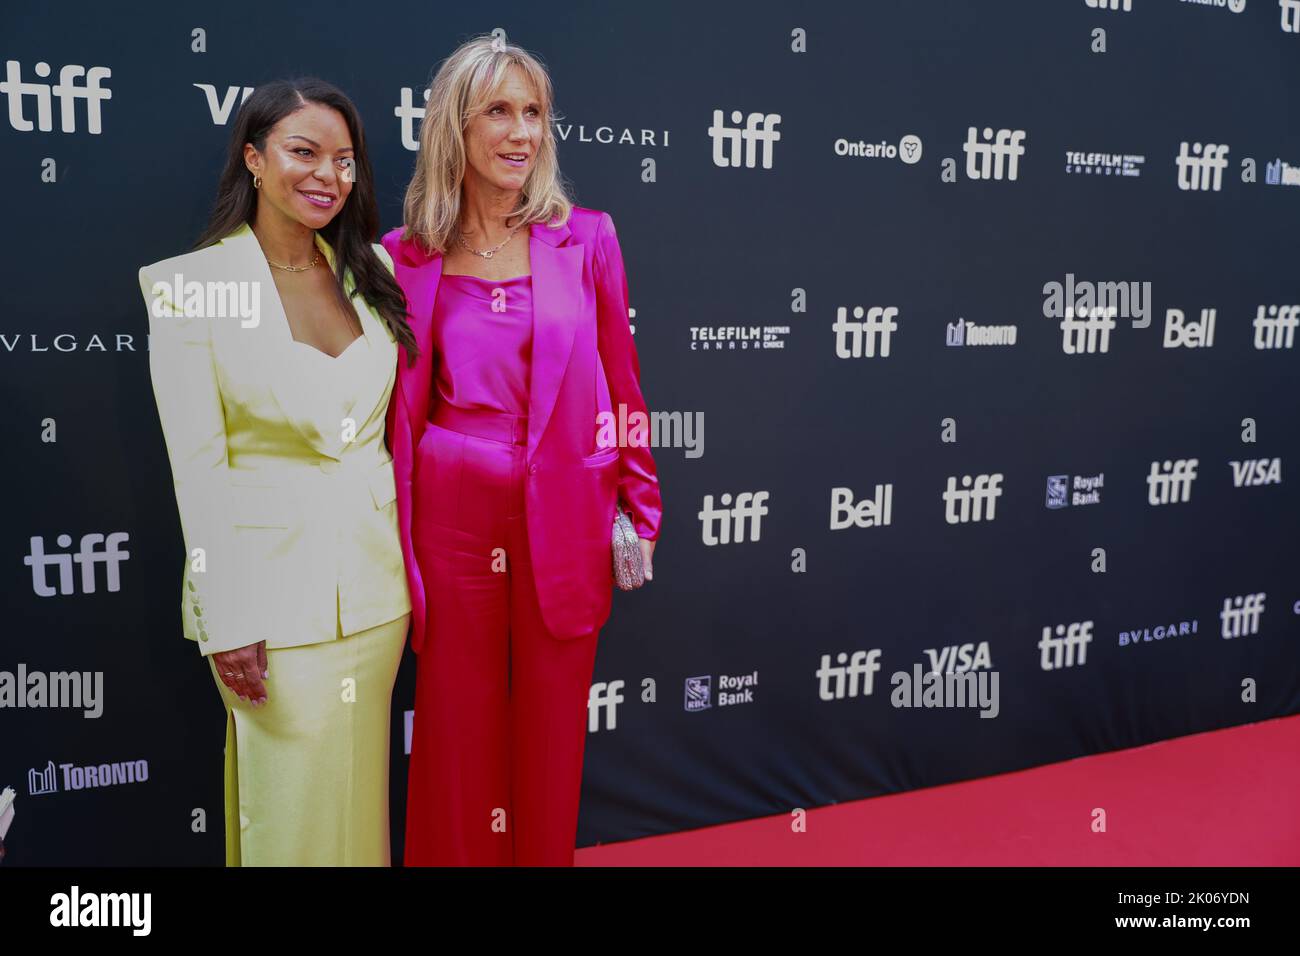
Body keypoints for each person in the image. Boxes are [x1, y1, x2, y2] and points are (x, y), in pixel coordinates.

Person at [387, 35, 663, 866]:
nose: (521, 133)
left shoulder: (588, 240)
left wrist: (639, 506)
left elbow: (624, 385)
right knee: (455, 733)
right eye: (499, 112)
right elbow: (399, 409)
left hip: (567, 511)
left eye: (534, 112)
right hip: (452, 514)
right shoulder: (407, 254)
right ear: (454, 129)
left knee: (550, 734)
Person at [140, 78, 416, 866]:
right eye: (303, 152)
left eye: (344, 159)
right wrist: (226, 618)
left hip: (374, 595)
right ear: (254, 159)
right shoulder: (190, 288)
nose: (327, 174)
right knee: (286, 814)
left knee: (359, 806)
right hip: (268, 607)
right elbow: (198, 469)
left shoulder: (369, 278)